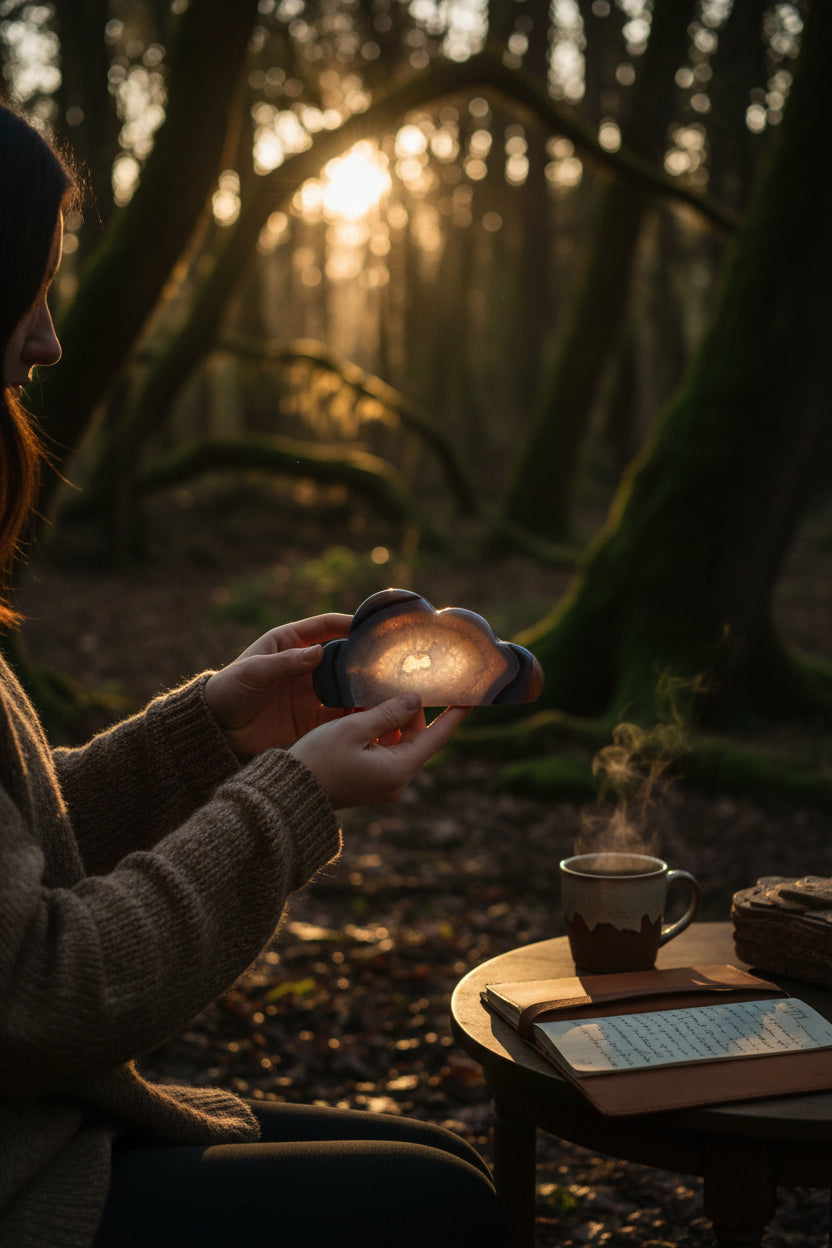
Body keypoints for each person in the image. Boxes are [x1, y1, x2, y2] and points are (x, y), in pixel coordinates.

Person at [0, 104, 511, 1248]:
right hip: (23, 1188)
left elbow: (17, 854)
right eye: (26, 289)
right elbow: (38, 990)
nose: (49, 341)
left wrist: (209, 734)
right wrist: (290, 801)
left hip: (35, 1135)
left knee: (441, 1155)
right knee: (439, 1210)